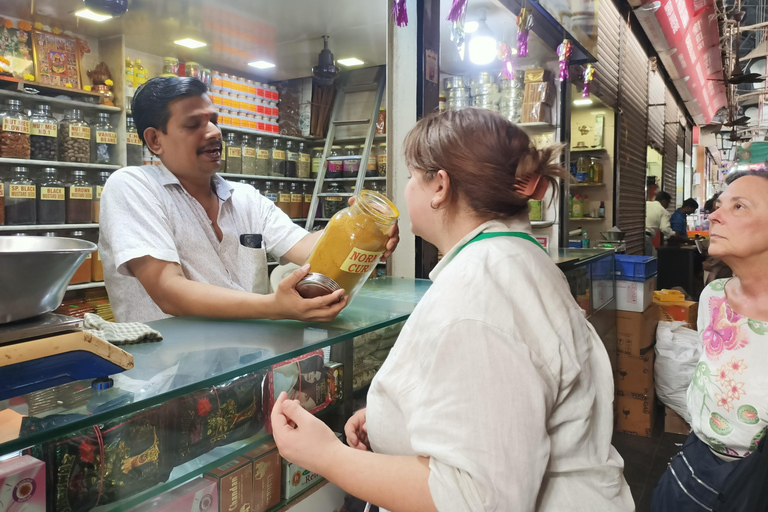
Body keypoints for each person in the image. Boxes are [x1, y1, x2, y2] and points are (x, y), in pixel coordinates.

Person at [269, 109, 634, 512]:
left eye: (411, 176)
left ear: (439, 186)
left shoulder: (480, 290)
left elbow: (474, 497)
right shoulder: (509, 259)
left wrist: (327, 456)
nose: (406, 189)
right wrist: (399, 421)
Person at [99, 77, 398, 323]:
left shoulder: (245, 198)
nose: (215, 132)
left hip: (244, 366)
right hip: (165, 378)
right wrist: (274, 306)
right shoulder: (132, 187)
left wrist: (360, 234)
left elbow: (309, 251)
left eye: (214, 121)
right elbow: (168, 291)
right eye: (193, 125)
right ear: (155, 140)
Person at [651, 170, 768, 511]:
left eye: (739, 207)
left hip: (754, 474)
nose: (715, 215)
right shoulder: (714, 296)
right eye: (718, 206)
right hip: (696, 456)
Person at [646, 190, 675, 254]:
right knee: (650, 259)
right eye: (668, 203)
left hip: (637, 236)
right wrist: (673, 235)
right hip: (647, 237)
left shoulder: (646, 203)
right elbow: (665, 229)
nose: (668, 206)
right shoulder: (664, 211)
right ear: (664, 201)